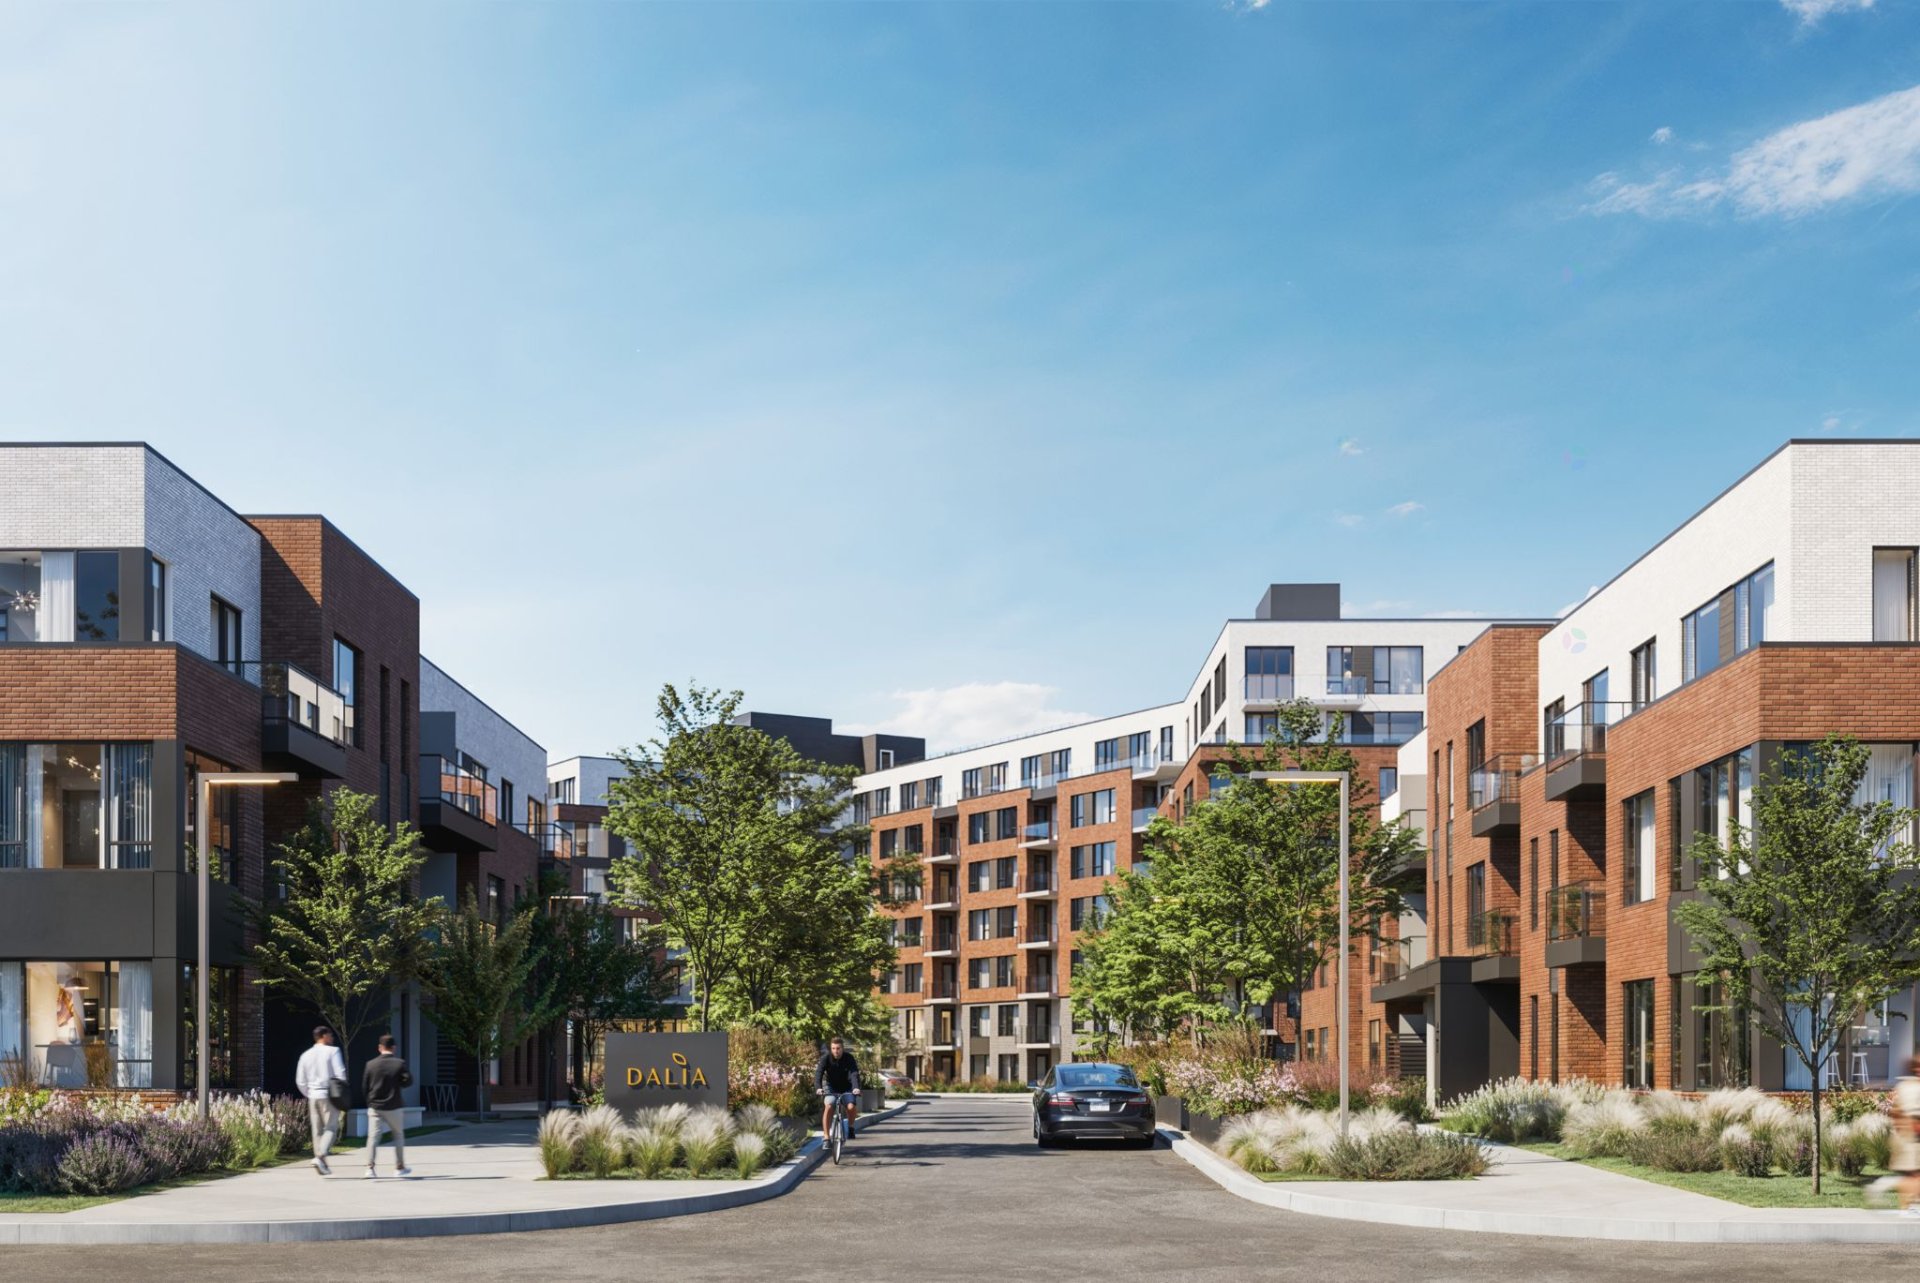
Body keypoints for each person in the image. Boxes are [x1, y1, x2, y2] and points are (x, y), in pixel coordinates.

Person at [294, 1026, 347, 1176]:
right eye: (330, 1035)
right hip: (329, 1095)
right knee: (331, 1128)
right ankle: (321, 1156)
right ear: (323, 1036)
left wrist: (309, 1093)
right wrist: (342, 1093)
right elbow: (340, 1074)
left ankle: (321, 1161)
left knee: (317, 1131)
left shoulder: (305, 1055)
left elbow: (300, 1080)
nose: (332, 1038)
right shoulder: (333, 1051)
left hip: (312, 1095)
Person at [362, 1033, 414, 1179]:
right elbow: (409, 1081)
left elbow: (364, 1087)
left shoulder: (370, 1064)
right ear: (394, 1048)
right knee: (398, 1135)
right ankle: (399, 1167)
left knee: (373, 1137)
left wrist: (369, 1102)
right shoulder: (399, 1063)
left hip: (375, 1106)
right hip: (394, 1106)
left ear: (380, 1047)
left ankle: (369, 1168)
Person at [815, 1036, 862, 1144]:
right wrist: (818, 1088)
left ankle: (850, 1127)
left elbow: (854, 1073)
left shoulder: (849, 1058)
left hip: (847, 1087)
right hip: (832, 1087)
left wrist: (855, 1088)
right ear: (831, 1049)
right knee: (829, 1105)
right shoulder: (826, 1058)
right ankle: (826, 1137)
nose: (836, 1051)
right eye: (833, 1048)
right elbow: (819, 1073)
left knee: (851, 1107)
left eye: (838, 1048)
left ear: (842, 1048)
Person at [1893, 1053, 1920, 1215]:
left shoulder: (1905, 1086)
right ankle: (1908, 1205)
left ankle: (1908, 1205)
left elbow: (1896, 1111)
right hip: (1911, 1135)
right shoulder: (1908, 1087)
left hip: (1909, 1135)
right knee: (1913, 1172)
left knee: (1913, 1172)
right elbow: (1898, 1111)